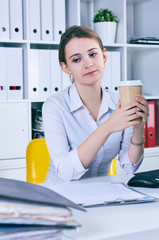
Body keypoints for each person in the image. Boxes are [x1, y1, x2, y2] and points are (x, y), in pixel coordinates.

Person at [42, 25, 149, 182]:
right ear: (65, 67)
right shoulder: (55, 106)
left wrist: (138, 127)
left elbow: (129, 166)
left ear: (104, 56)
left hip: (102, 193)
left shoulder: (118, 102)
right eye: (77, 59)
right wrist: (108, 127)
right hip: (61, 195)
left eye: (93, 54)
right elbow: (65, 172)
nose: (88, 64)